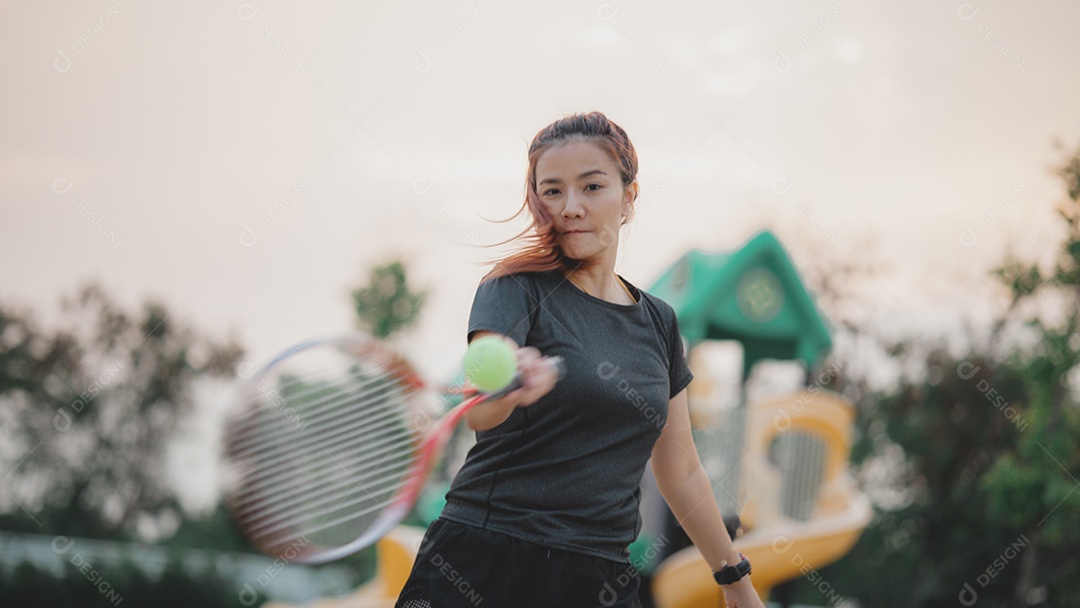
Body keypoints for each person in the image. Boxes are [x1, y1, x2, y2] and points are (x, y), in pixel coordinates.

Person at [396, 112, 764, 608]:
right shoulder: (512, 288)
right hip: (483, 559)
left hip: (599, 578)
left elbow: (682, 469)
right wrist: (509, 383)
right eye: (552, 191)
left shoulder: (660, 322)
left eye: (592, 187)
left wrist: (736, 582)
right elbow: (480, 410)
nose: (571, 207)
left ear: (628, 197)